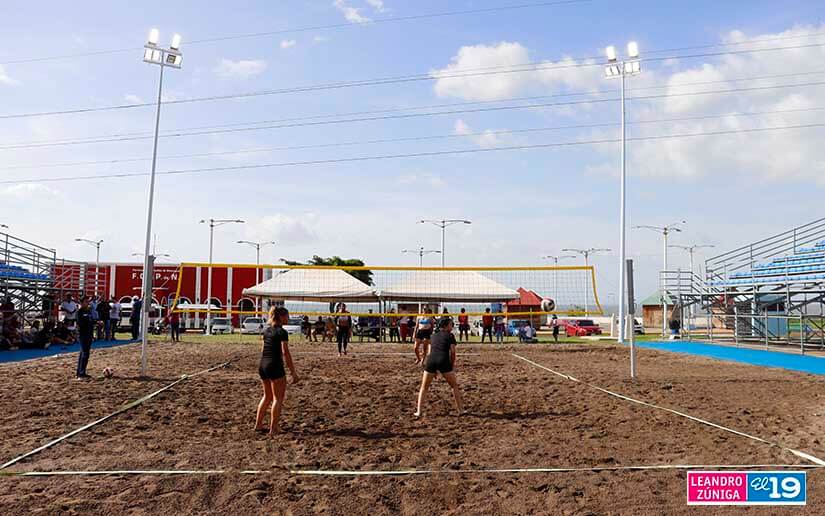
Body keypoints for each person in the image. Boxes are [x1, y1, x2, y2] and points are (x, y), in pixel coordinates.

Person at [254, 306, 299, 436]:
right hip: (274, 365)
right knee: (277, 399)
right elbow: (285, 353)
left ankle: (258, 425)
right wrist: (293, 373)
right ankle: (274, 429)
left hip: (263, 365)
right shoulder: (282, 332)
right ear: (281, 317)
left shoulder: (266, 331)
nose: (288, 319)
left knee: (266, 396)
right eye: (287, 316)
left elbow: (263, 349)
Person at [414, 318, 463, 418]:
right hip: (443, 360)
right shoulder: (450, 336)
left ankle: (419, 412)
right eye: (451, 325)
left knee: (424, 387)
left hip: (431, 361)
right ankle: (461, 410)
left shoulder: (433, 335)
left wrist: (434, 369)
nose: (452, 326)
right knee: (454, 386)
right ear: (445, 326)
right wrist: (452, 365)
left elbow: (430, 352)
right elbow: (453, 352)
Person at [76, 297, 94, 379]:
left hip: (89, 334)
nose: (87, 303)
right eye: (86, 302)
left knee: (84, 353)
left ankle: (81, 372)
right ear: (81, 303)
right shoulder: (79, 312)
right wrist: (88, 321)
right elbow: (81, 323)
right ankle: (81, 373)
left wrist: (96, 322)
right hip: (83, 335)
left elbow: (91, 321)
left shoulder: (88, 311)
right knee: (85, 353)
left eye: (88, 302)